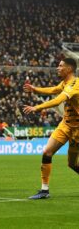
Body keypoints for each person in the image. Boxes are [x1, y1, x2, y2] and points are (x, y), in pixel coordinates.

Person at [23, 58, 79, 199]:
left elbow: (59, 99)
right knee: (47, 152)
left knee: (72, 164)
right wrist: (35, 89)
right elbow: (53, 90)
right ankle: (44, 190)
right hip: (65, 124)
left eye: (60, 66)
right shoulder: (65, 83)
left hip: (78, 129)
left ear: (69, 69)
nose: (57, 68)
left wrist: (37, 107)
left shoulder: (75, 84)